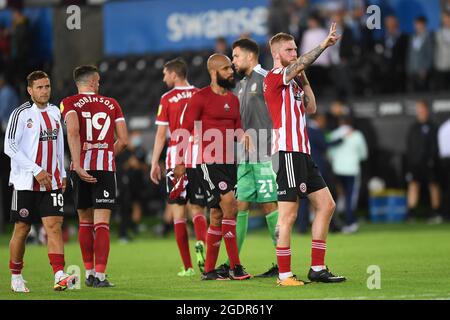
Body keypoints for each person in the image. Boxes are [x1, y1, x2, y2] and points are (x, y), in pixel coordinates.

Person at [263, 26, 346, 286]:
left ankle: (317, 268)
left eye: (295, 49)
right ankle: (284, 274)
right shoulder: (275, 76)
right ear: (277, 54)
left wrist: (303, 76)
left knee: (327, 205)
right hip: (287, 152)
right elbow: (298, 64)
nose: (294, 52)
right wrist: (323, 45)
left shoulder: (294, 80)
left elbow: (311, 106)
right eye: (289, 49)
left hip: (303, 153)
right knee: (288, 215)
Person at [174, 53, 251, 281]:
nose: (231, 72)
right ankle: (235, 267)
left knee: (217, 215)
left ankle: (209, 271)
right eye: (227, 68)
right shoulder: (200, 98)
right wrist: (180, 161)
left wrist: (245, 137)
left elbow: (238, 129)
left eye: (231, 68)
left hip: (230, 162)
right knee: (230, 206)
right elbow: (185, 130)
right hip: (209, 162)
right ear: (214, 71)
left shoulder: (233, 100)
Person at [4, 71, 76, 292]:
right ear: (30, 90)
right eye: (40, 87)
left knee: (54, 226)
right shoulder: (21, 114)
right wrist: (35, 170)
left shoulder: (55, 112)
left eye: (47, 86)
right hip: (26, 182)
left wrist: (62, 172)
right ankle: (16, 276)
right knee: (22, 228)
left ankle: (59, 274)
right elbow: (10, 146)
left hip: (51, 181)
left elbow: (59, 144)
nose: (44, 91)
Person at [61, 65, 129, 288]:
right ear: (91, 82)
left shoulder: (68, 102)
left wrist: (78, 164)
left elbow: (72, 131)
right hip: (105, 168)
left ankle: (89, 272)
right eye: (98, 81)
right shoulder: (112, 103)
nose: (99, 84)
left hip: (80, 168)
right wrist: (108, 152)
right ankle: (100, 276)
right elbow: (124, 140)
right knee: (102, 224)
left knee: (85, 222)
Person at [217, 37, 278, 278]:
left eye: (236, 56)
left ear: (250, 56)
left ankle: (281, 262)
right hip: (244, 157)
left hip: (265, 154)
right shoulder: (240, 85)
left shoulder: (267, 79)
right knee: (237, 205)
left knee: (269, 205)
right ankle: (233, 263)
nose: (233, 62)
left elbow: (282, 112)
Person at [150, 58, 208, 277]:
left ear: (174, 74)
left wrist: (155, 162)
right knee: (198, 209)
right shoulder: (201, 94)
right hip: (198, 157)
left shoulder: (167, 98)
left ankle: (188, 266)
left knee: (178, 214)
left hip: (176, 158)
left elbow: (160, 134)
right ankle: (202, 244)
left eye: (166, 74)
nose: (164, 78)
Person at [328, 116, 368, 234]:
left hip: (337, 170)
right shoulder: (357, 135)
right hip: (351, 170)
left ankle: (335, 222)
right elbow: (364, 154)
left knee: (336, 196)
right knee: (350, 197)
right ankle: (349, 223)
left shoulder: (334, 134)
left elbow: (329, 152)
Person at [405, 100, 442, 224]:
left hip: (430, 162)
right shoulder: (413, 127)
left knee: (433, 186)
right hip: (415, 164)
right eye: (418, 109)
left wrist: (432, 159)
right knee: (413, 185)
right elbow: (410, 146)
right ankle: (411, 214)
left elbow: (436, 145)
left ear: (426, 110)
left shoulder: (433, 127)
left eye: (421, 109)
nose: (419, 111)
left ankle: (436, 212)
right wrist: (411, 161)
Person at [438, 117, 450, 219]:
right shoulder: (445, 127)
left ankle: (445, 213)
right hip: (446, 160)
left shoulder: (444, 126)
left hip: (444, 161)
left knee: (446, 188)